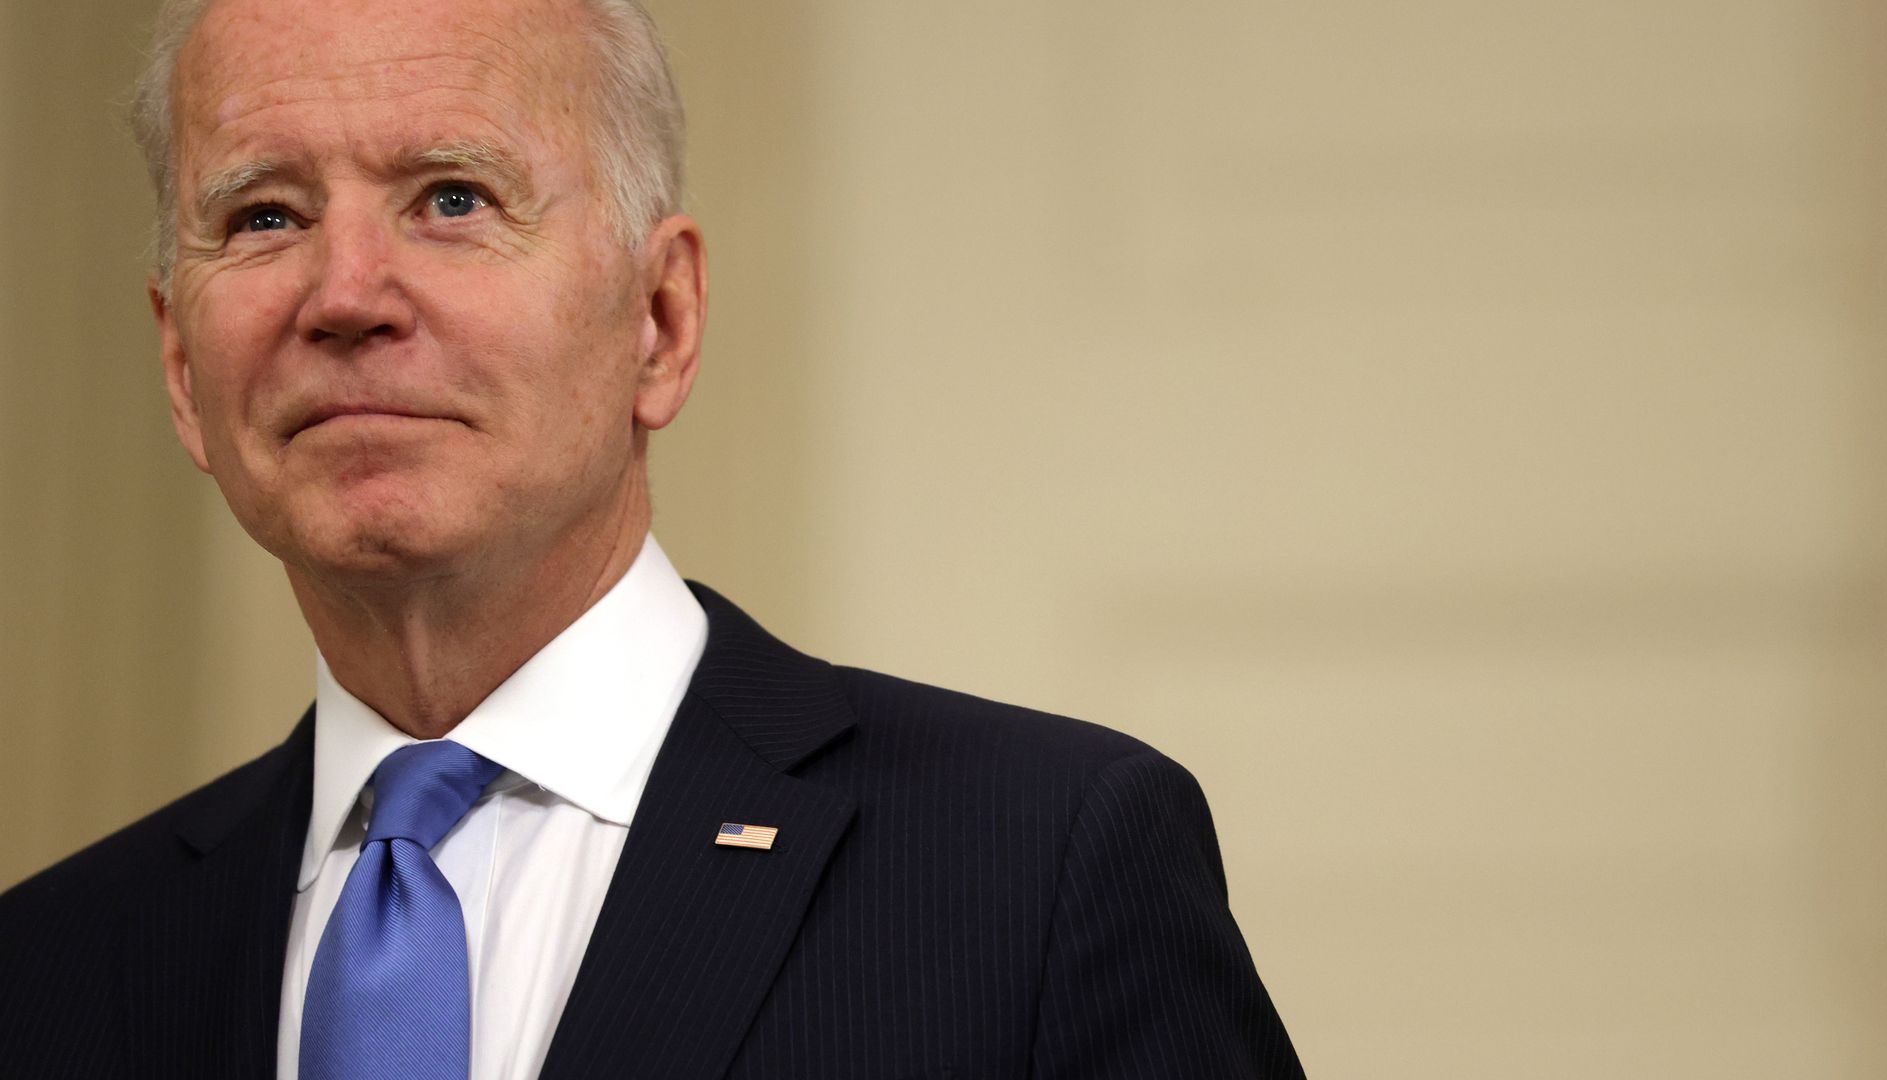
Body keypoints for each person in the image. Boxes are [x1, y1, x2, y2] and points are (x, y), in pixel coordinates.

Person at [0, 0, 1306, 1075]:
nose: (345, 296)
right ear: (181, 364)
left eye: (452, 197)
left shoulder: (1036, 869)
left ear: (662, 320)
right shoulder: (48, 970)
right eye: (265, 216)